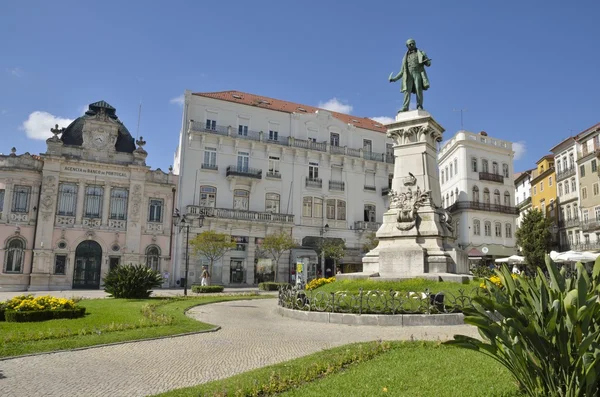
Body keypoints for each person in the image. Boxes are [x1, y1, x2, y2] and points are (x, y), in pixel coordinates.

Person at [389, 38, 432, 112]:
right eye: (410, 44)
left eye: (413, 43)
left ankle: (419, 106)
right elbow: (402, 71)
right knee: (406, 91)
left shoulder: (421, 53)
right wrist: (394, 79)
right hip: (408, 75)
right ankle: (405, 107)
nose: (412, 45)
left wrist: (425, 60)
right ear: (407, 46)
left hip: (417, 72)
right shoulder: (404, 57)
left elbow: (428, 64)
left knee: (419, 89)